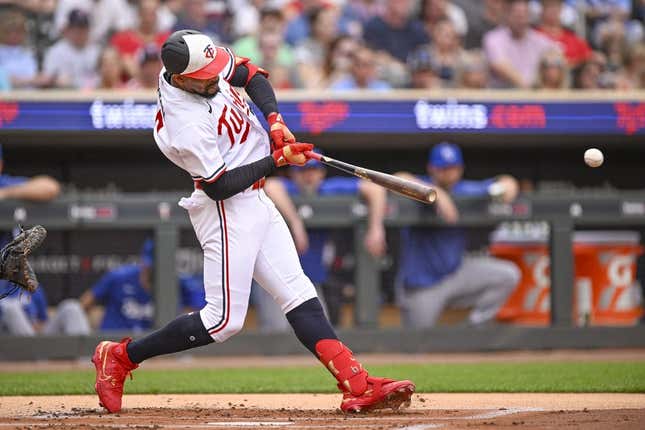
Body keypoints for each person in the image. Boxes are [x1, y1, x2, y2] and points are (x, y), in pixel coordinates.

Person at [91, 29, 415, 415]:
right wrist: (278, 160)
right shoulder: (185, 123)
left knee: (298, 292)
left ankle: (357, 384)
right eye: (206, 77)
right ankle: (121, 356)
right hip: (226, 208)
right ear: (180, 80)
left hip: (256, 198)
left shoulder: (195, 64)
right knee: (223, 321)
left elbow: (251, 75)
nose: (216, 78)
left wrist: (275, 122)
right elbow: (219, 186)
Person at [396, 142, 521, 328]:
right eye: (443, 168)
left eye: (452, 168)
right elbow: (397, 178)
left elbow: (507, 183)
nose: (448, 173)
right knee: (417, 347)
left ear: (460, 169)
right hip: (422, 285)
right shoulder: (418, 187)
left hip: (455, 274)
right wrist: (435, 193)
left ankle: (471, 329)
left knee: (508, 275)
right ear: (432, 168)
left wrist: (505, 189)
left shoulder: (466, 190)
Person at [257, 155, 388, 329]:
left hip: (311, 281)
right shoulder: (288, 189)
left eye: (313, 170)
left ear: (322, 173)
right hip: (276, 281)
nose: (308, 176)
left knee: (319, 332)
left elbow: (375, 188)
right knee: (277, 336)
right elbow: (270, 185)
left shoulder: (328, 189)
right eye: (302, 171)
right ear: (293, 174)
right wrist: (296, 222)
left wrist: (376, 227)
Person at [80, 239, 206, 332]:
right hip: (114, 343)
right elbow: (85, 303)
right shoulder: (119, 276)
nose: (150, 272)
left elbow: (201, 315)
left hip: (152, 349)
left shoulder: (179, 282)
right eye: (148, 267)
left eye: (155, 269)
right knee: (71, 309)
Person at [483, 0, 560, 88]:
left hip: (535, 94)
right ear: (507, 15)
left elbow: (557, 56)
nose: (521, 20)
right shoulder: (493, 38)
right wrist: (528, 86)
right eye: (517, 16)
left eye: (524, 16)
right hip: (502, 95)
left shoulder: (539, 39)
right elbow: (499, 65)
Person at [0, 279, 90, 336]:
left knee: (71, 307)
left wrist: (36, 326)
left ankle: (85, 361)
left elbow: (43, 320)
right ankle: (33, 359)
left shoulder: (31, 285)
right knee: (11, 308)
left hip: (34, 337)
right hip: (11, 343)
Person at [42, 9, 100, 90]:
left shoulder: (96, 51)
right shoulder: (56, 51)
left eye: (83, 28)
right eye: (76, 28)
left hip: (91, 98)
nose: (80, 32)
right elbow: (46, 80)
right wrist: (55, 80)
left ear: (88, 30)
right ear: (68, 29)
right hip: (64, 98)